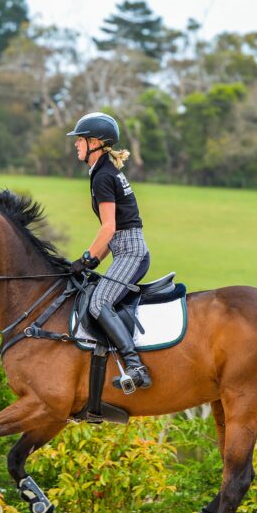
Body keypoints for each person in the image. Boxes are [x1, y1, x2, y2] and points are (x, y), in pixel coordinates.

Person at [66, 112, 152, 390]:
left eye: (80, 140)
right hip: (124, 250)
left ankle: (136, 367)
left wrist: (86, 258)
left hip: (131, 253)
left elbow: (109, 229)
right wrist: (93, 262)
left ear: (95, 142)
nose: (76, 145)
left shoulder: (103, 176)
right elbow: (112, 235)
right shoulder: (103, 172)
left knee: (99, 303)